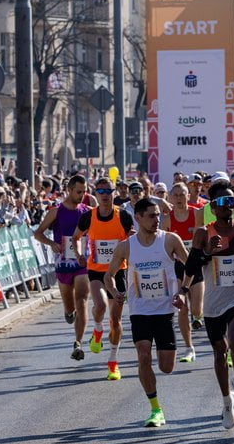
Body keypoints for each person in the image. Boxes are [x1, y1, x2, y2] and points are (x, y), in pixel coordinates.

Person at [102, 198, 190, 427]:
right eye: (151, 215)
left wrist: (182, 291)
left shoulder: (170, 240)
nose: (156, 219)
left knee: (166, 367)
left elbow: (190, 266)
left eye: (158, 214)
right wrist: (115, 291)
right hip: (140, 311)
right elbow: (108, 275)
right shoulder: (126, 246)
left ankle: (157, 400)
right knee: (143, 356)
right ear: (138, 217)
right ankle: (155, 409)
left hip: (165, 311)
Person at [188, 181, 234, 428]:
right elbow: (191, 266)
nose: (228, 206)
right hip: (213, 303)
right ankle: (226, 402)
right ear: (213, 206)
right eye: (222, 202)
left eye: (231, 201)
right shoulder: (203, 233)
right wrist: (207, 253)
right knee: (220, 352)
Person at [72, 177, 135, 380]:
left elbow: (134, 239)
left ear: (114, 193)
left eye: (109, 191)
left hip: (118, 272)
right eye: (101, 192)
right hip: (97, 271)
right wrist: (79, 254)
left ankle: (113, 362)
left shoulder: (124, 217)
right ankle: (97, 330)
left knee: (115, 320)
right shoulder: (88, 217)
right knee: (99, 307)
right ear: (96, 194)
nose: (105, 195)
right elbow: (75, 237)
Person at [33, 174, 90, 360]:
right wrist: (51, 243)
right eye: (79, 192)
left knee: (82, 299)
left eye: (84, 192)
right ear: (70, 190)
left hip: (81, 262)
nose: (82, 195)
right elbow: (38, 234)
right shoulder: (56, 211)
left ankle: (78, 343)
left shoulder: (87, 212)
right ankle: (68, 312)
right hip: (63, 262)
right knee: (70, 307)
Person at [161, 182, 204, 362]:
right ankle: (189, 347)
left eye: (182, 194)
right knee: (182, 309)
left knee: (196, 309)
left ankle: (198, 317)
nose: (179, 198)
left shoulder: (196, 213)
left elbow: (203, 237)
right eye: (176, 195)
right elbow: (162, 244)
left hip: (195, 267)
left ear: (188, 195)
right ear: (170, 198)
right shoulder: (167, 218)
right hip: (177, 268)